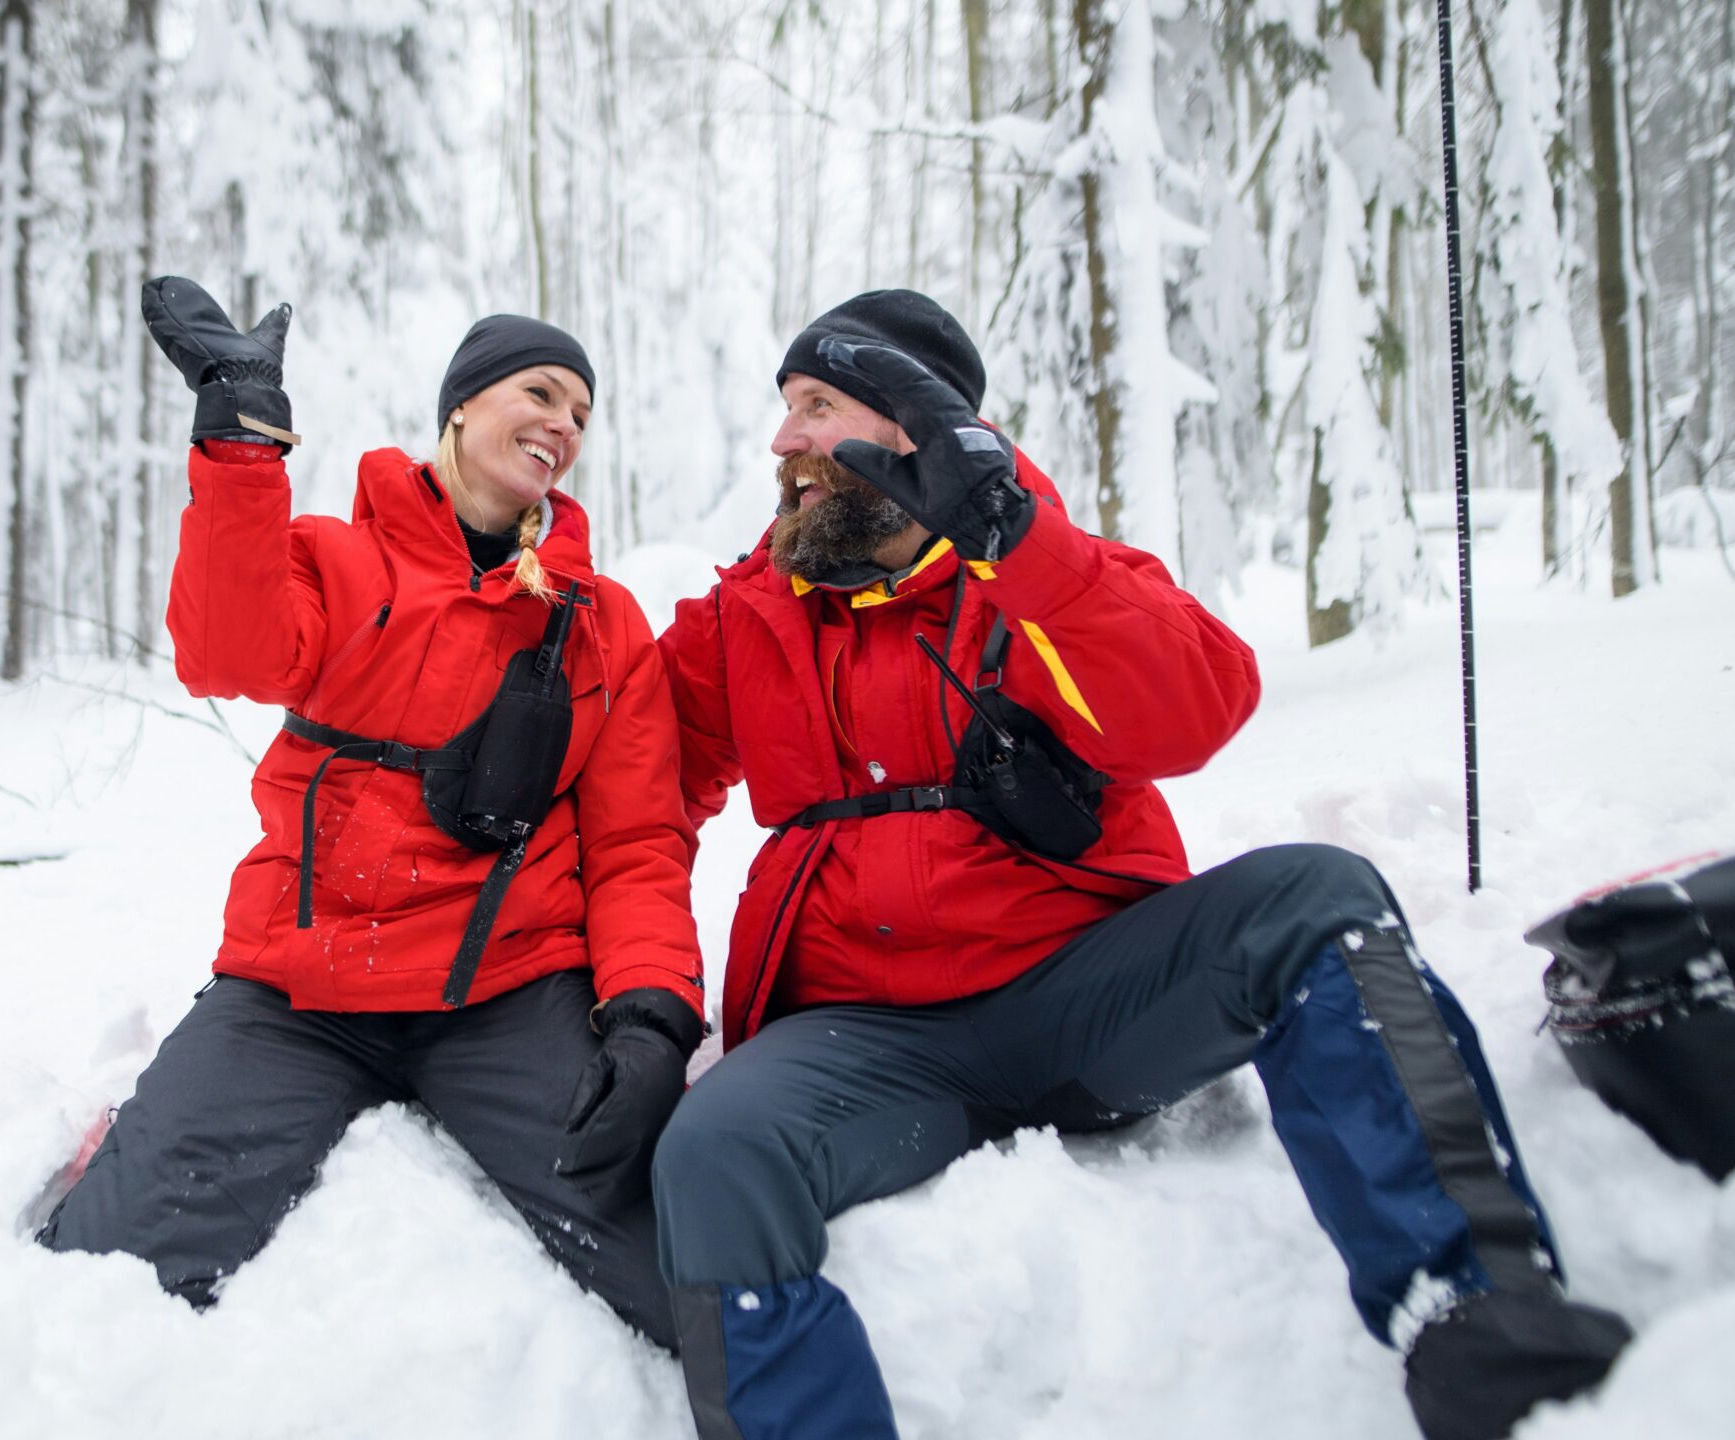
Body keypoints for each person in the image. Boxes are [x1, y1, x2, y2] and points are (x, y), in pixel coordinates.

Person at [648, 290, 1632, 1440]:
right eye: (785, 410)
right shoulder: (747, 617)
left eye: (815, 406)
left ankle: (1484, 1331)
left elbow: (1198, 707)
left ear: (908, 424)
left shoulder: (1047, 571)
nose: (784, 442)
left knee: (1315, 897)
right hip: (867, 1048)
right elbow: (630, 778)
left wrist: (1020, 548)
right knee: (714, 1151)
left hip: (1086, 1001)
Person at [38, 278, 706, 1351]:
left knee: (684, 1265)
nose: (563, 426)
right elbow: (227, 653)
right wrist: (243, 449)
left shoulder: (601, 626)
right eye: (539, 392)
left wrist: (649, 1016)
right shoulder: (338, 559)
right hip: (300, 986)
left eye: (582, 415)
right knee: (105, 1273)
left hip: (508, 994)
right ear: (460, 405)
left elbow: (635, 847)